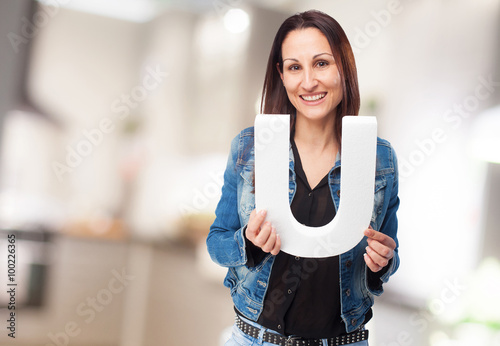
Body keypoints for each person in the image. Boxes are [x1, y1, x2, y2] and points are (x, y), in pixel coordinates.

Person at [207, 9, 399, 346]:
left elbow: (388, 257)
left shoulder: (379, 159)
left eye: (322, 63)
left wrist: (383, 262)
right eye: (295, 67)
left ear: (344, 67)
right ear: (282, 75)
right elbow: (217, 242)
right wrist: (248, 243)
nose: (308, 82)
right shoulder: (249, 147)